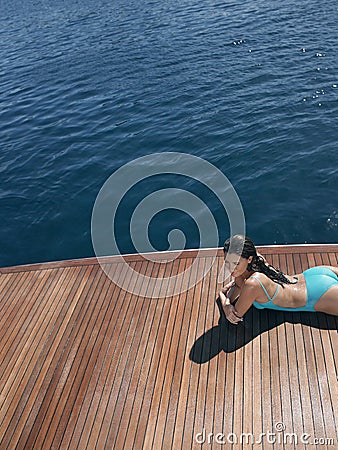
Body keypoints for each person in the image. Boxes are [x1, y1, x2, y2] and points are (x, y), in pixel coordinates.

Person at [219, 235, 338, 324]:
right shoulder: (257, 259)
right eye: (227, 262)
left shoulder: (253, 283)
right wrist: (231, 293)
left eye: (236, 263)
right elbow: (239, 286)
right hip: (315, 274)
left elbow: (234, 316)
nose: (231, 268)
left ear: (249, 259)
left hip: (318, 295)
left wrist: (223, 298)